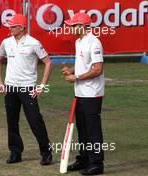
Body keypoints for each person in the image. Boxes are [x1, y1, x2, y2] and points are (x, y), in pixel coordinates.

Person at [0, 14, 53, 165]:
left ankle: (46, 152)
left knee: (35, 121)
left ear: (21, 28)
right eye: (9, 25)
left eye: (12, 26)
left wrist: (41, 86)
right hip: (10, 88)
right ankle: (15, 152)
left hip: (28, 88)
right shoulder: (6, 42)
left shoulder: (34, 43)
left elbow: (48, 62)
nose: (9, 28)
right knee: (12, 122)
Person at [62, 12, 105, 175]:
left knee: (93, 129)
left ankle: (97, 163)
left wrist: (76, 77)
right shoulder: (79, 41)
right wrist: (71, 70)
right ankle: (84, 159)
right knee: (82, 128)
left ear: (83, 26)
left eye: (74, 25)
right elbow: (83, 63)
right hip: (80, 93)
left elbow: (98, 69)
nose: (71, 28)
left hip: (92, 94)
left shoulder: (94, 43)